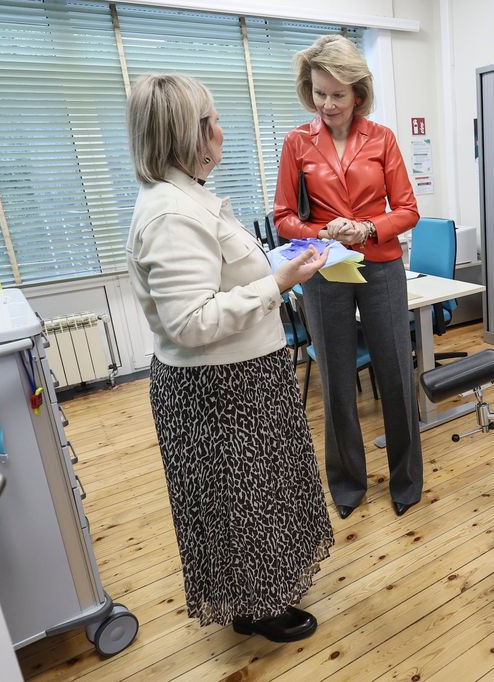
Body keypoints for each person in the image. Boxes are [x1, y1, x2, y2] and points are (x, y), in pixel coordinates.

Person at [124, 74, 332, 643]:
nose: (222, 129)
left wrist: (274, 269)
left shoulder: (188, 197)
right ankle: (260, 608)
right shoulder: (173, 215)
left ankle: (258, 594)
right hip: (219, 390)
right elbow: (190, 323)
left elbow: (220, 278)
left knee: (257, 495)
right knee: (244, 504)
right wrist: (278, 283)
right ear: (188, 137)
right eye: (212, 120)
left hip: (242, 377)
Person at [274, 35, 422, 520]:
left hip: (380, 265)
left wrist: (366, 227)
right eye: (319, 93)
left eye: (338, 94)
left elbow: (407, 210)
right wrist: (327, 233)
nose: (328, 104)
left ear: (358, 93)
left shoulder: (381, 139)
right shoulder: (298, 142)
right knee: (337, 378)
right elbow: (283, 216)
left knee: (396, 373)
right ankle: (347, 484)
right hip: (324, 270)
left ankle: (406, 480)